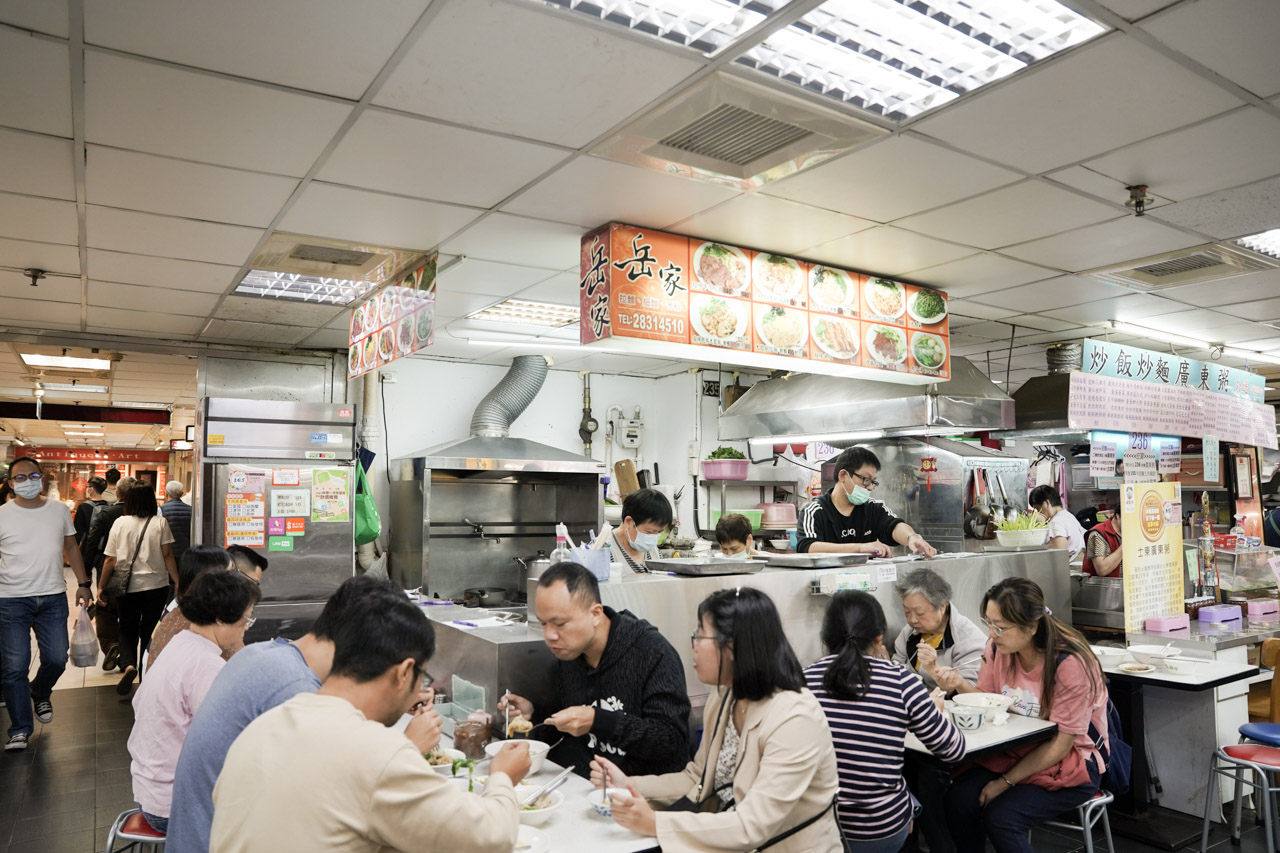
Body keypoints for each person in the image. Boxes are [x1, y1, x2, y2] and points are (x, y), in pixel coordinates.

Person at [210, 587, 532, 853]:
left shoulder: (262, 727)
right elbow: (488, 837)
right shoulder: (377, 753)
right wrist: (502, 776)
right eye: (421, 676)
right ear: (405, 672)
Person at [589, 587, 842, 853]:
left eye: (699, 635)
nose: (693, 646)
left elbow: (751, 826)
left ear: (732, 647)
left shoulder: (794, 718)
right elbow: (697, 778)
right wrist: (628, 784)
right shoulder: (726, 693)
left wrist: (655, 823)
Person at [166, 576, 404, 853]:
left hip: (195, 833)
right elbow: (335, 796)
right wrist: (406, 747)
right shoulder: (294, 689)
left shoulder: (264, 653)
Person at [938, 578, 1108, 853]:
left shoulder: (1069, 663)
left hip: (1072, 760)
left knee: (1003, 818)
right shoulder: (997, 648)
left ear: (1031, 627)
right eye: (988, 623)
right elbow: (986, 701)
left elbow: (1062, 744)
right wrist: (957, 685)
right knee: (958, 799)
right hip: (1017, 750)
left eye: (1000, 627)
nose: (991, 634)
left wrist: (1003, 784)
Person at [805, 591, 966, 853]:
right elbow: (954, 750)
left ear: (825, 637)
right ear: (879, 637)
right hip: (880, 830)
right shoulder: (900, 681)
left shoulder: (802, 681)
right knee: (909, 799)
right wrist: (932, 711)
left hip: (817, 826)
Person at [499, 562, 690, 777]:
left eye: (560, 624)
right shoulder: (568, 654)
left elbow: (670, 739)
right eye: (544, 624)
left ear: (596, 614)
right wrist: (534, 716)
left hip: (643, 794)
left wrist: (599, 721)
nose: (550, 635)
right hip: (585, 786)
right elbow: (564, 728)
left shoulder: (652, 654)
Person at [128, 570, 260, 832]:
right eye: (246, 619)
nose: (246, 627)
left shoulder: (181, 643)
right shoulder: (207, 666)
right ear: (222, 619)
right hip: (174, 805)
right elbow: (227, 743)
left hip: (148, 790)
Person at [0, 457, 93, 751]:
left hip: (52, 596)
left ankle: (40, 691)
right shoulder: (2, 514)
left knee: (55, 658)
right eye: (20, 477)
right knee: (14, 666)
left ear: (42, 478)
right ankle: (20, 728)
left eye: (33, 475)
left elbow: (71, 547)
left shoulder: (58, 510)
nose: (27, 481)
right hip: (10, 600)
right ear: (11, 483)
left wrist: (83, 583)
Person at [100, 484, 179, 695]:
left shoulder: (120, 523)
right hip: (156, 585)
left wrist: (101, 586)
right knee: (149, 629)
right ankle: (146, 671)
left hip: (128, 586)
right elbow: (168, 555)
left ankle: (128, 666)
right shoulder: (160, 523)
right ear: (151, 501)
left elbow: (110, 559)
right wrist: (177, 580)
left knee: (126, 627)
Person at [798, 446, 937, 557]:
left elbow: (893, 526)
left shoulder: (873, 508)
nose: (870, 487)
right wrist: (860, 548)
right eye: (866, 480)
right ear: (843, 475)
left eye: (873, 482)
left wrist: (911, 537)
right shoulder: (814, 511)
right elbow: (809, 547)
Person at [891, 567, 986, 692]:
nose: (912, 619)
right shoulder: (909, 633)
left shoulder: (968, 640)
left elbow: (970, 695)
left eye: (920, 613)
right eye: (907, 612)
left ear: (941, 607)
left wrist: (933, 668)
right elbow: (898, 667)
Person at [82, 476, 135, 672]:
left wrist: (86, 571)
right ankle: (129, 658)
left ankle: (110, 644)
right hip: (139, 571)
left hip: (110, 568)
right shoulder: (148, 515)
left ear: (118, 493)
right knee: (129, 613)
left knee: (105, 608)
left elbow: (92, 542)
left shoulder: (107, 514)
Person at [147, 545, 233, 666]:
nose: (235, 583)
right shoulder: (204, 624)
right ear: (212, 582)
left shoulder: (178, 613)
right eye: (229, 576)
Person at [606, 487, 672, 572]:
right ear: (629, 522)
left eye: (659, 532)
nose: (654, 537)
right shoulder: (604, 551)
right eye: (649, 532)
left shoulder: (653, 550)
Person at [1030, 485, 1086, 559]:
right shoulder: (1067, 515)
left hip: (1070, 566)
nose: (1038, 512)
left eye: (1038, 508)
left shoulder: (1056, 523)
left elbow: (1058, 557)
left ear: (1047, 503)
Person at [159, 480, 193, 567]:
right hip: (185, 552)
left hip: (168, 551)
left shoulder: (161, 510)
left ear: (166, 493)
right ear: (182, 494)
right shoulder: (190, 510)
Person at [1083, 509, 1123, 577]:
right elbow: (1102, 570)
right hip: (1102, 585)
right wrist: (1126, 544)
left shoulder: (1129, 531)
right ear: (1118, 516)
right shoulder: (1097, 533)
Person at [73, 476, 109, 545]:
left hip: (88, 545)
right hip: (105, 546)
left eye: (87, 487)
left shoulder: (83, 507)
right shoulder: (109, 506)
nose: (86, 489)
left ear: (91, 489)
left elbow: (78, 532)